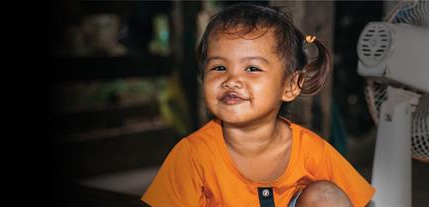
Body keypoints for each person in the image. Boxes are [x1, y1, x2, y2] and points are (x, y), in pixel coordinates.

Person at [142, 3, 375, 207]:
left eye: (252, 68)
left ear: (290, 85)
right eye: (219, 68)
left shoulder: (311, 150)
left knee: (325, 195)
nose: (231, 80)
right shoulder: (193, 155)